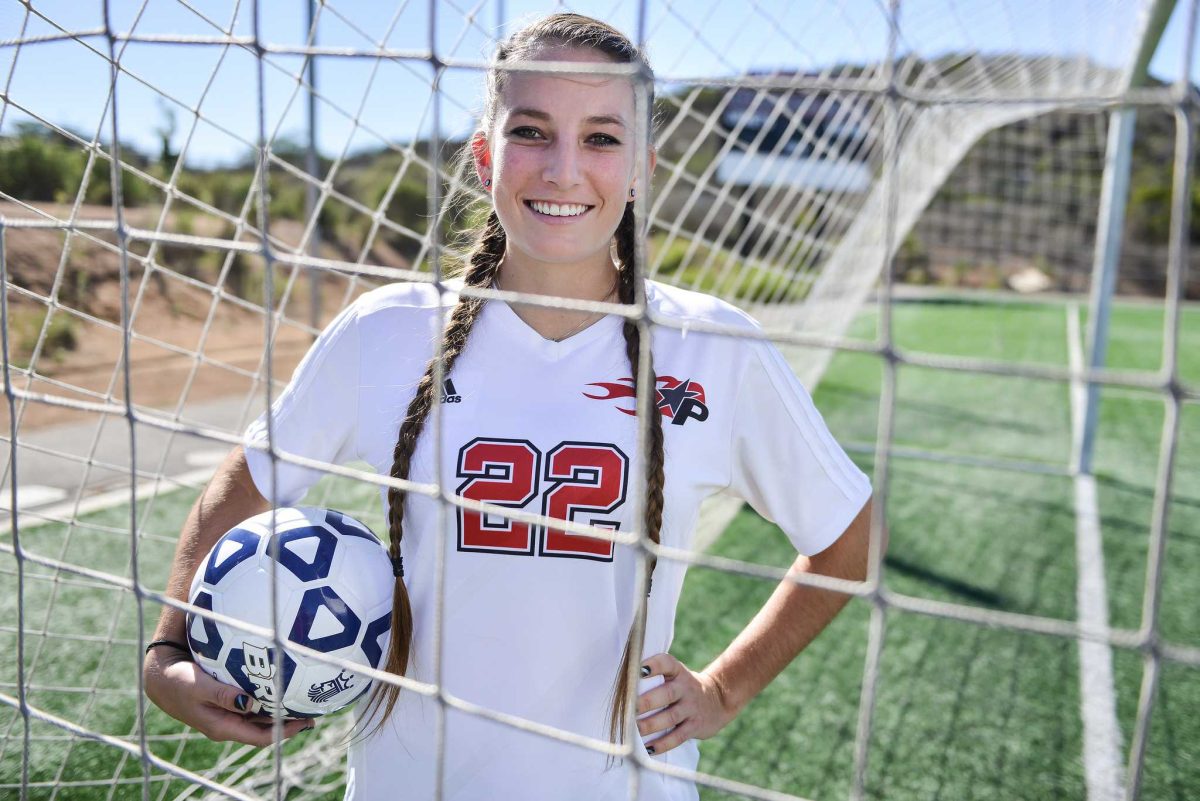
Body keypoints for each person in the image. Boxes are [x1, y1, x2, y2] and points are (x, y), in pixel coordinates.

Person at [142, 12, 874, 801]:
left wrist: (726, 688)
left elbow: (848, 539)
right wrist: (166, 651)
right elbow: (246, 480)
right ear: (486, 155)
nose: (563, 169)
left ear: (641, 170)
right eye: (532, 131)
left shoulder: (712, 347)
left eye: (600, 138)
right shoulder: (388, 330)